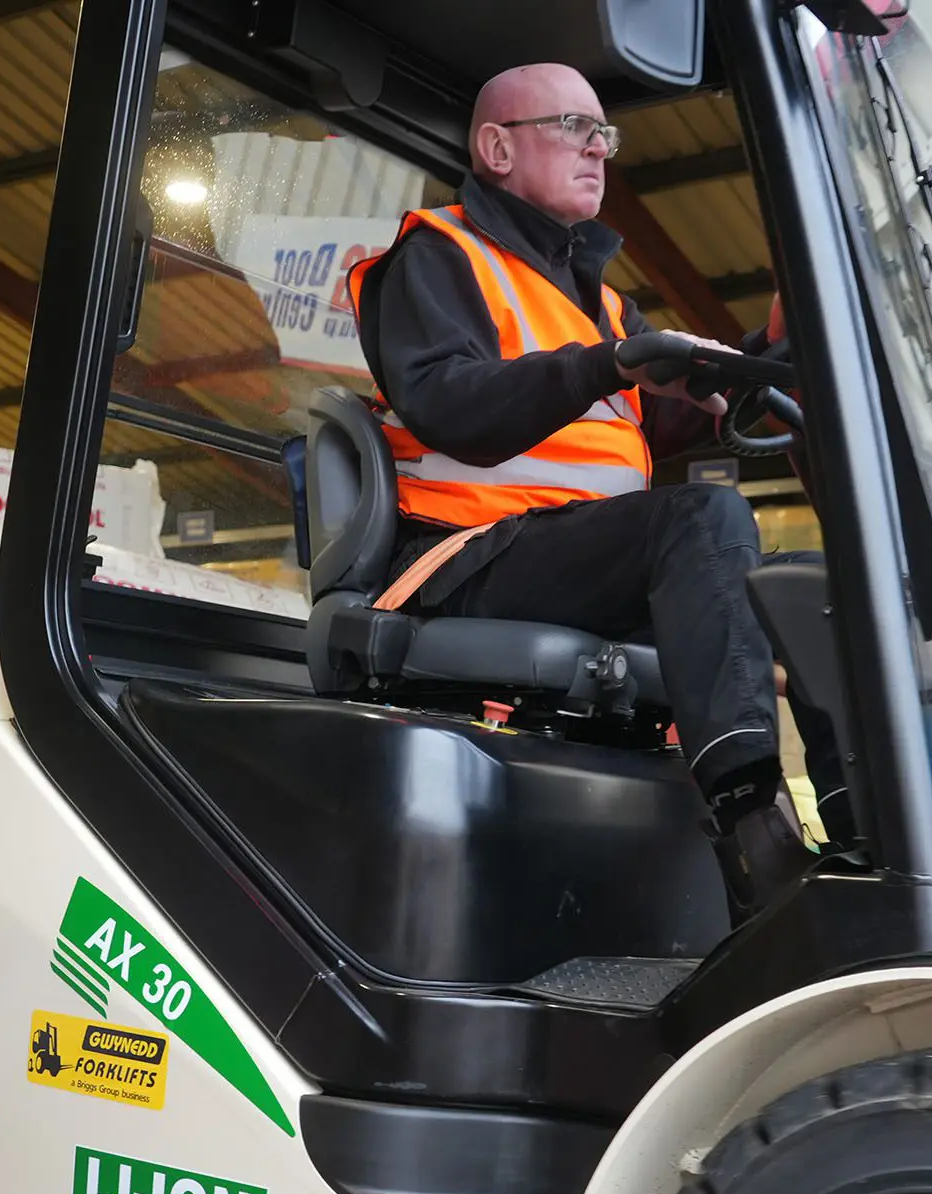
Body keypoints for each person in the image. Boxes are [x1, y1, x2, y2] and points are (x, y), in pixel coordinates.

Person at [345, 62, 852, 920]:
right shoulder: (437, 254)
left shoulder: (602, 304)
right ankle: (752, 829)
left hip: (572, 558)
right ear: (496, 147)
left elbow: (658, 428)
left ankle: (856, 837)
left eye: (605, 135)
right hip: (463, 561)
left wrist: (765, 344)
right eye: (575, 128)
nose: (599, 151)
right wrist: (602, 366)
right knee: (706, 516)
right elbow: (448, 407)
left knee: (814, 590)